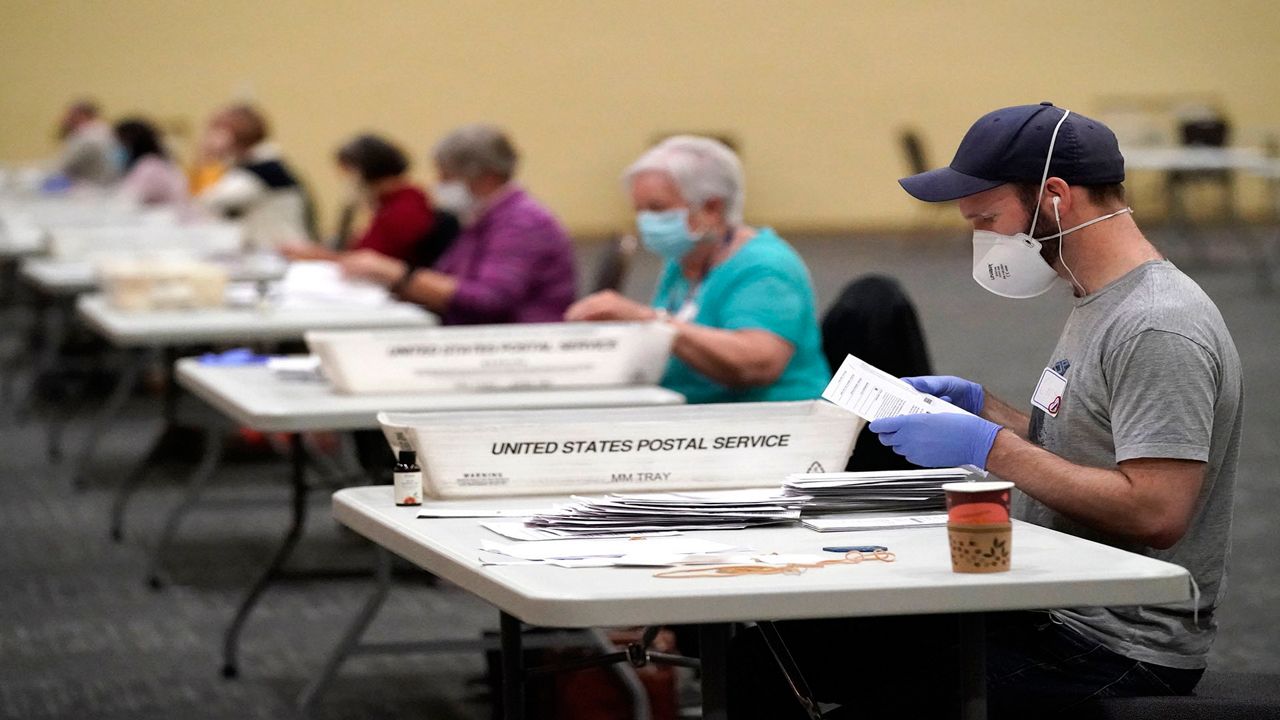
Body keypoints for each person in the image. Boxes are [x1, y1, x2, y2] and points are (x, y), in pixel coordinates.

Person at [730, 103, 1243, 718]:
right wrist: (986, 409)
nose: (984, 240)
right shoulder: (1099, 299)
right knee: (768, 648)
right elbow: (1094, 447)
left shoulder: (1157, 324)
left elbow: (1156, 510)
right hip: (1046, 602)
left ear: (1054, 196)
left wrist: (987, 447)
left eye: (988, 219)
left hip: (1113, 646)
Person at [565, 135, 829, 404]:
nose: (645, 221)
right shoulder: (685, 259)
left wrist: (648, 320)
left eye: (657, 208)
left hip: (772, 426)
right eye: (639, 210)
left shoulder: (765, 266)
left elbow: (758, 364)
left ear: (712, 207)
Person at [341, 124, 575, 324]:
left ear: (487, 176)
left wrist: (398, 275)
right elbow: (448, 278)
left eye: (447, 176)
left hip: (518, 344)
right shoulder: (484, 219)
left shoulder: (521, 222)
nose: (438, 185)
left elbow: (489, 300)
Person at [284, 133, 439, 265]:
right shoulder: (391, 204)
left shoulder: (403, 210)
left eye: (349, 175)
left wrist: (319, 256)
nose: (346, 182)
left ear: (367, 172)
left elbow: (371, 264)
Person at [196, 104, 311, 249]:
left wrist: (208, 159)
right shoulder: (262, 164)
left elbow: (206, 202)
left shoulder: (259, 171)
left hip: (279, 253)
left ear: (228, 135)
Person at [113, 118, 188, 206]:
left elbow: (126, 200)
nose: (115, 149)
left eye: (119, 143)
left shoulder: (150, 166)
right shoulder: (151, 164)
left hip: (169, 217)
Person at [51, 98, 121, 187]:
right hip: (102, 185)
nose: (64, 119)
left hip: (91, 189)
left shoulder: (88, 138)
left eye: (69, 115)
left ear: (81, 115)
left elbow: (63, 167)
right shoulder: (103, 131)